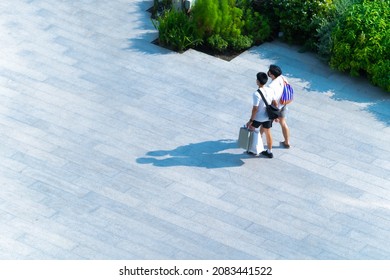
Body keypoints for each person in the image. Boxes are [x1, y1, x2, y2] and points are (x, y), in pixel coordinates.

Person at [246, 72, 275, 158]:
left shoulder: (256, 94)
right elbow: (274, 103)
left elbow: (255, 109)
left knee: (251, 129)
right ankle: (269, 151)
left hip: (258, 117)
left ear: (258, 81)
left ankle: (252, 150)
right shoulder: (270, 90)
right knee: (268, 133)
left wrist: (250, 121)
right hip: (268, 116)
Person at [266, 64, 291, 148]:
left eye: (269, 71)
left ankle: (256, 142)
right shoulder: (283, 78)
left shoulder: (271, 86)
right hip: (284, 103)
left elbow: (274, 102)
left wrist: (275, 116)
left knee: (265, 125)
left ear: (272, 74)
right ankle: (287, 142)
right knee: (283, 123)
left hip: (275, 108)